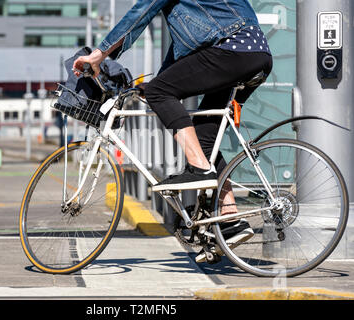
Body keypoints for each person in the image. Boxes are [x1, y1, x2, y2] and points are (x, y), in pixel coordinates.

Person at [73, 0, 273, 262]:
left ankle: (200, 169)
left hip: (232, 49)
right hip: (252, 53)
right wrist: (160, 80)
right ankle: (229, 218)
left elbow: (141, 12)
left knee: (161, 94)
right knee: (203, 139)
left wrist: (99, 53)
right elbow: (185, 46)